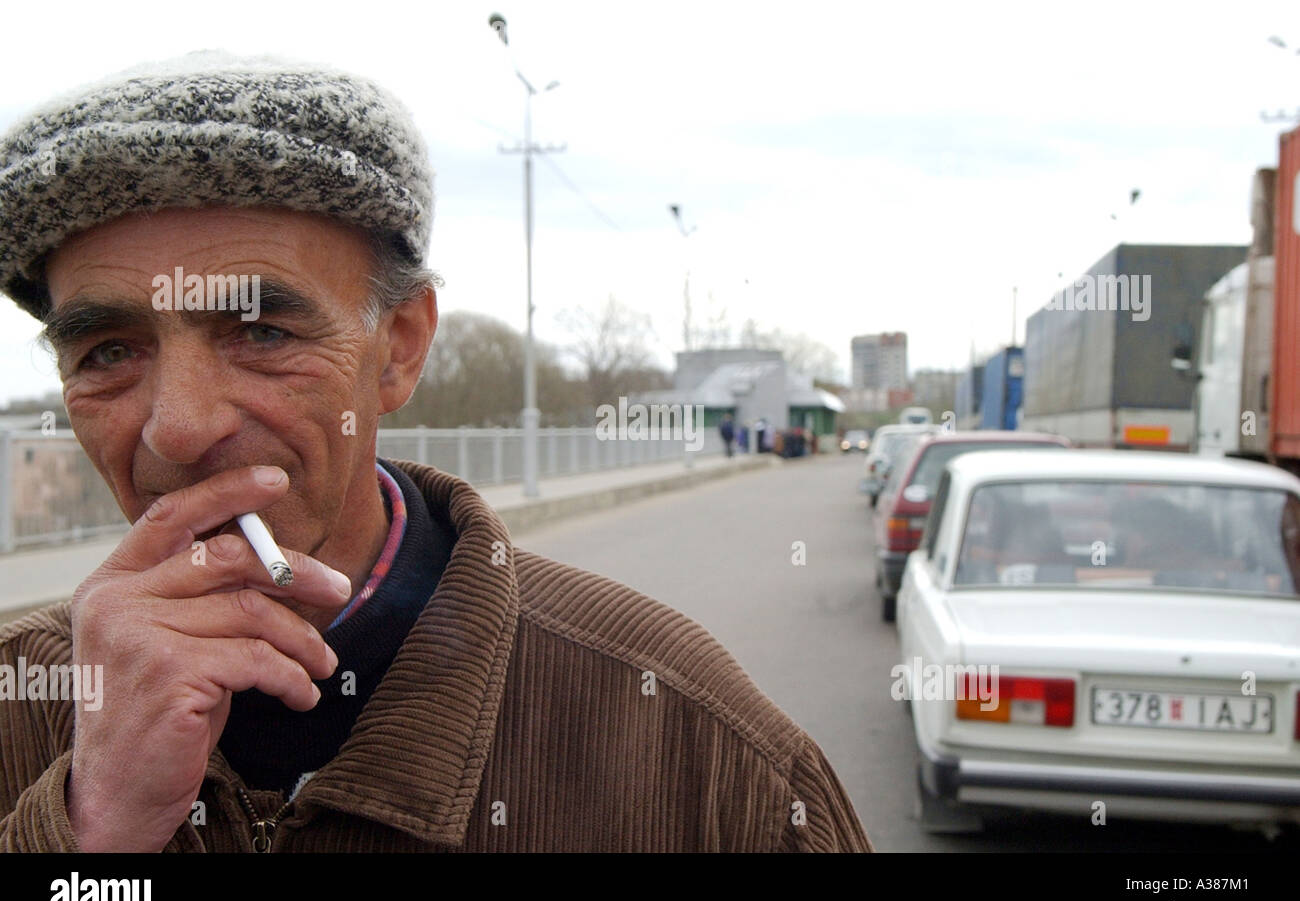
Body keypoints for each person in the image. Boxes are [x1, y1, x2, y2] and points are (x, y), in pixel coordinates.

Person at [0, 53, 870, 853]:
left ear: (402, 346)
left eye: (262, 331)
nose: (178, 429)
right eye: (108, 352)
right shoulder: (20, 703)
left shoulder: (698, 747)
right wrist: (92, 830)